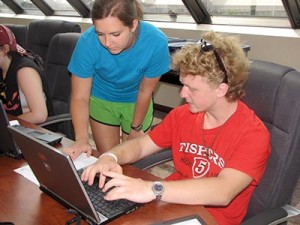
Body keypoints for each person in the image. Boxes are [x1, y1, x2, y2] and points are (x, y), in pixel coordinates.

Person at [80, 31, 271, 225]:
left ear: (221, 89)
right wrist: (109, 157)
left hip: (209, 218)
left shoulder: (253, 134)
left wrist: (152, 189)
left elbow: (223, 191)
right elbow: (140, 146)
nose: (183, 93)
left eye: (192, 89)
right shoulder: (182, 115)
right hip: (169, 203)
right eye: (183, 84)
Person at [65, 0, 171, 159]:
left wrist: (136, 128)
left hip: (137, 100)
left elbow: (145, 91)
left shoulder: (156, 42)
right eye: (100, 33)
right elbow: (79, 97)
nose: (107, 43)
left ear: (133, 25)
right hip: (102, 99)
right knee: (108, 158)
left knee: (134, 161)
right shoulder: (87, 43)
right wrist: (81, 139)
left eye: (115, 34)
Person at [0, 24, 52, 124]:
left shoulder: (24, 71)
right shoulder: (3, 66)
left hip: (34, 130)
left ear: (5, 49)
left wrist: (5, 125)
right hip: (12, 124)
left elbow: (39, 115)